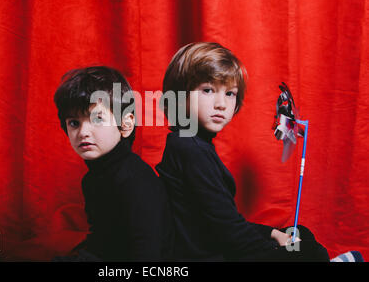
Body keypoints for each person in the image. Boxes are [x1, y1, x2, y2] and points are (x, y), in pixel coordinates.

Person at [155, 42, 331, 261]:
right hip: (211, 256)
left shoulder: (192, 143)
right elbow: (230, 232)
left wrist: (273, 234)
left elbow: (222, 221)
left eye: (230, 93)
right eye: (208, 90)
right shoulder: (191, 149)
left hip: (222, 243)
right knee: (312, 253)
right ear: (180, 96)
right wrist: (275, 252)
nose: (221, 104)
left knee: (299, 233)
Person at [53, 66, 173, 261]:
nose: (83, 132)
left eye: (97, 119)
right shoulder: (92, 179)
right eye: (74, 123)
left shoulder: (135, 179)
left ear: (125, 125)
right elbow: (101, 239)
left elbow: (148, 249)